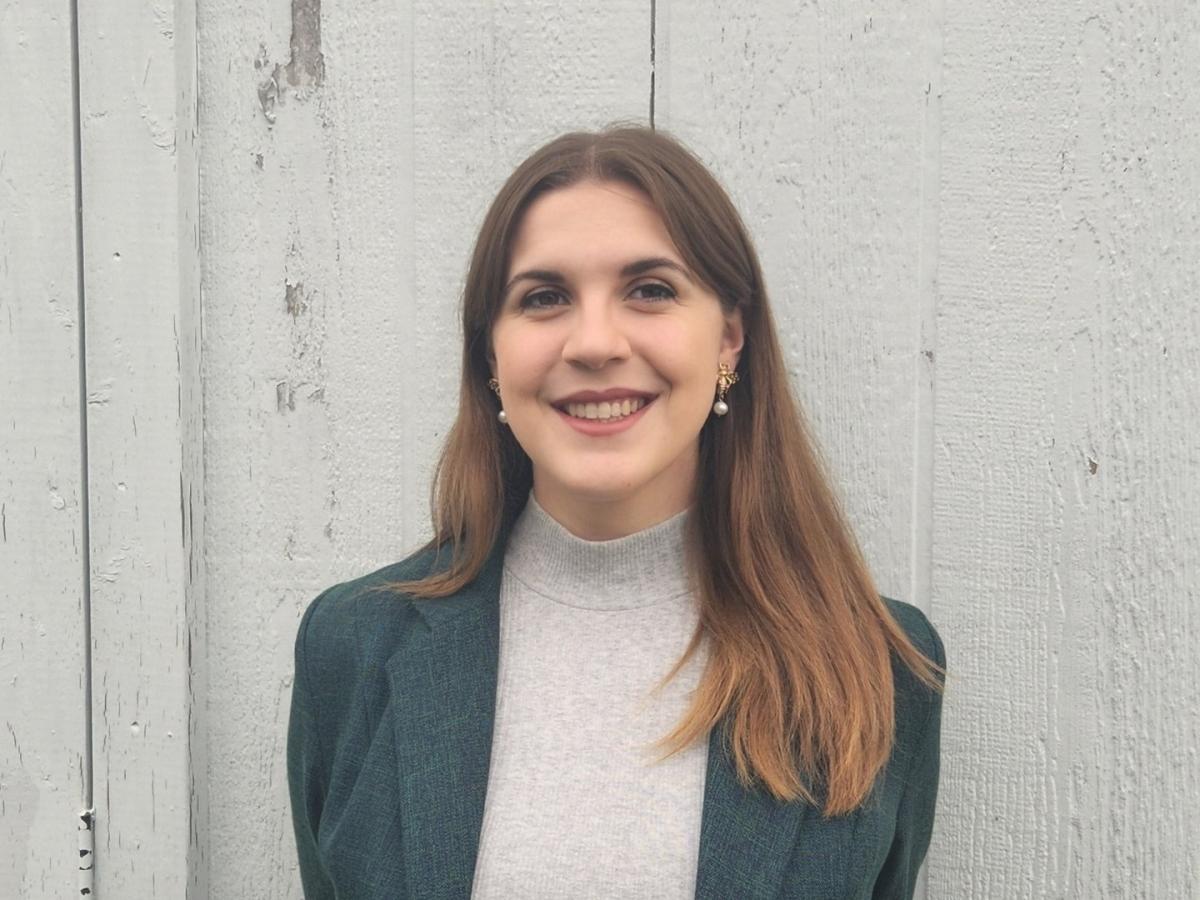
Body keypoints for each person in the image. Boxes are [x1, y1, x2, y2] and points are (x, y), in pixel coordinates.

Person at [287, 124, 945, 900]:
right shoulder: (354, 649)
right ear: (492, 359)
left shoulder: (879, 667)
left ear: (729, 339)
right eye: (544, 298)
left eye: (651, 290)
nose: (595, 342)